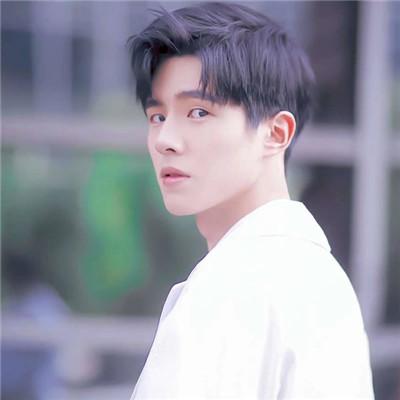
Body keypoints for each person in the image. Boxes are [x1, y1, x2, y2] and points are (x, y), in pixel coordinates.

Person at [126, 2, 375, 398]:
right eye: (158, 116)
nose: (165, 140)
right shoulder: (318, 277)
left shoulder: (233, 287)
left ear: (276, 133)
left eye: (198, 112)